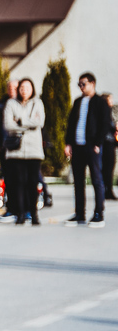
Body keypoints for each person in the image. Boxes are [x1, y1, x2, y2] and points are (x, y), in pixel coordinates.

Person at [64, 71, 112, 228]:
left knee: (97, 180)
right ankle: (79, 213)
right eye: (79, 84)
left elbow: (105, 124)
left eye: (83, 84)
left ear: (92, 84)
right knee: (78, 181)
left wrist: (98, 143)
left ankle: (99, 214)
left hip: (92, 147)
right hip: (77, 147)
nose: (81, 87)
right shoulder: (78, 102)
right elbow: (71, 124)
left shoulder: (100, 102)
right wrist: (68, 143)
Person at [1, 78, 44, 226]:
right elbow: (8, 125)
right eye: (22, 87)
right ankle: (19, 214)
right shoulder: (11, 103)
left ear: (32, 89)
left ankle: (33, 213)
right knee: (18, 183)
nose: (24, 90)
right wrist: (28, 124)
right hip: (16, 151)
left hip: (33, 150)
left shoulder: (37, 103)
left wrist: (19, 121)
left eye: (27, 87)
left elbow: (40, 122)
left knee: (33, 183)